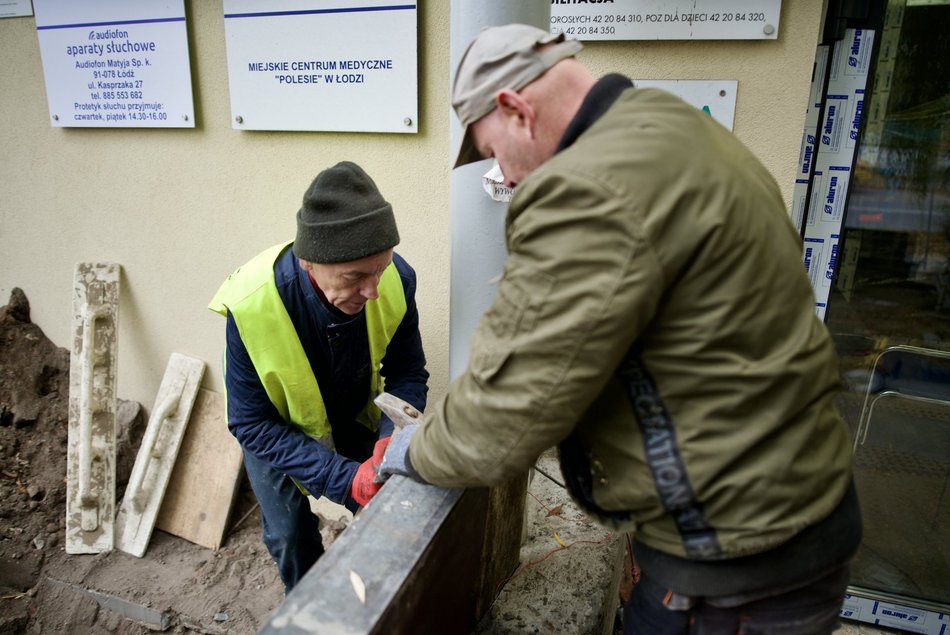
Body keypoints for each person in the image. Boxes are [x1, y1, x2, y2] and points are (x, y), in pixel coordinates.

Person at [379, 24, 861, 634]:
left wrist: (407, 449)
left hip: (731, 560)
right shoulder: (671, 125)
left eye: (492, 151)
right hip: (792, 516)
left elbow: (500, 420)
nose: (503, 173)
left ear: (514, 110)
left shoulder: (586, 190)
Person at [209, 161, 429, 593]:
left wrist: (391, 437)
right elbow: (250, 423)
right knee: (290, 537)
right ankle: (306, 611)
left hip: (353, 414)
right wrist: (344, 478)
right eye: (356, 277)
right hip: (277, 431)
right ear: (309, 261)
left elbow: (407, 371)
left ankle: (382, 605)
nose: (373, 292)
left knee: (395, 504)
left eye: (379, 270)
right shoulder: (252, 304)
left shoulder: (397, 278)